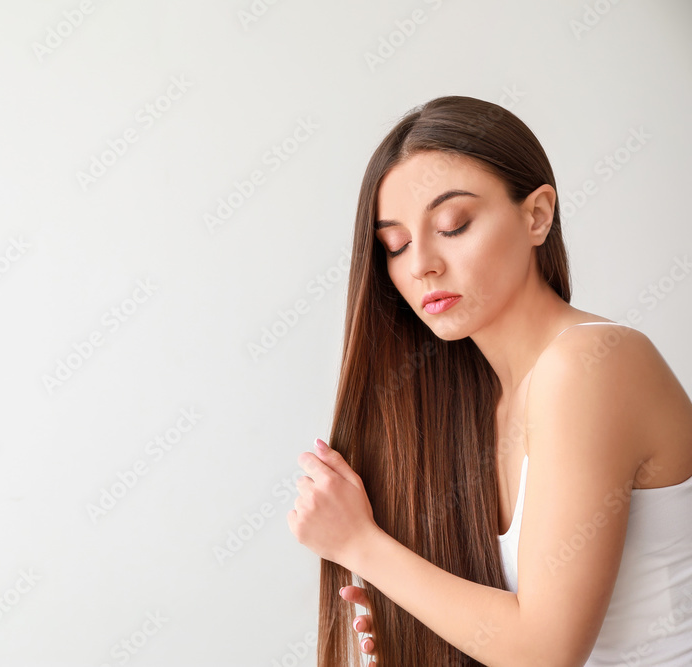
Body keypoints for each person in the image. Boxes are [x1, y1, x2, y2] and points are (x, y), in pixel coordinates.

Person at [286, 95, 692, 666]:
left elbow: (545, 653)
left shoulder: (593, 363)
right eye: (395, 245)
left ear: (537, 215)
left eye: (452, 225)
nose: (421, 262)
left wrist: (361, 544)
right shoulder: (482, 405)